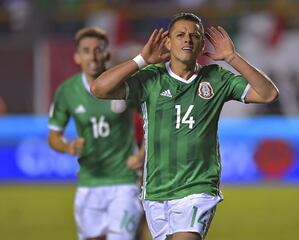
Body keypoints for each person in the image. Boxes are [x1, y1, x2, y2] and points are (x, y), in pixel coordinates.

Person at [91, 12, 279, 240]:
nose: (187, 40)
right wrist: (141, 60)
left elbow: (268, 94)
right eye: (180, 35)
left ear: (202, 45)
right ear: (168, 42)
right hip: (156, 191)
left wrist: (232, 58)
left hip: (197, 188)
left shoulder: (217, 79)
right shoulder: (151, 78)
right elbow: (99, 89)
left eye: (195, 36)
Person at [48, 27, 144, 240]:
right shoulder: (66, 91)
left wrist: (142, 154)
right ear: (77, 56)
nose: (92, 56)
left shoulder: (122, 83)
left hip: (124, 180)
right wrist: (67, 146)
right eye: (86, 50)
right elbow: (54, 136)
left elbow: (153, 120)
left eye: (98, 50)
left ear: (107, 54)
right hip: (89, 182)